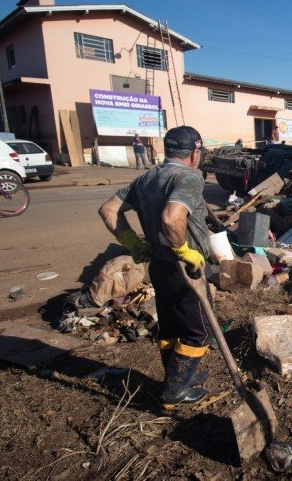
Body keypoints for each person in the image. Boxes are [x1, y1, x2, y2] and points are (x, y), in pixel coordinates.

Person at [99, 126, 211, 409]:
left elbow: (108, 210)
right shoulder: (188, 177)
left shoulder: (145, 178)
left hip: (159, 266)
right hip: (185, 269)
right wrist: (184, 250)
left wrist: (134, 245)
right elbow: (172, 218)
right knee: (200, 331)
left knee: (172, 326)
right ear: (195, 152)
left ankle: (180, 379)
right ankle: (175, 390)